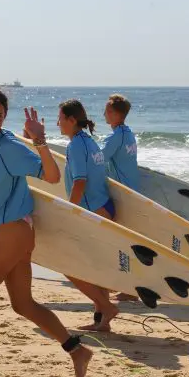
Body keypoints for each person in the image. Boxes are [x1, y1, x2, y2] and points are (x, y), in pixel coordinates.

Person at [0, 87, 93, 377]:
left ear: (4, 117)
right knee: (23, 304)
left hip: (12, 231)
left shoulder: (7, 145)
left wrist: (39, 141)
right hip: (14, 233)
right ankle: (77, 350)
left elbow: (51, 176)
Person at [57, 99, 120, 332]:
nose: (58, 123)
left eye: (61, 119)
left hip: (92, 211)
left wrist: (69, 212)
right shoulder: (89, 141)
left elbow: (80, 182)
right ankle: (101, 320)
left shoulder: (75, 145)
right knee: (96, 268)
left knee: (68, 264)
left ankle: (107, 307)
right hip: (104, 206)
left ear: (72, 120)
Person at [101, 94, 140, 302]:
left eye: (106, 110)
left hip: (122, 194)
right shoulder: (128, 133)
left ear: (116, 114)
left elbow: (98, 159)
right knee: (125, 240)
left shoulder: (115, 136)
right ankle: (128, 287)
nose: (104, 114)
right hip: (132, 192)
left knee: (121, 241)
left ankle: (130, 289)